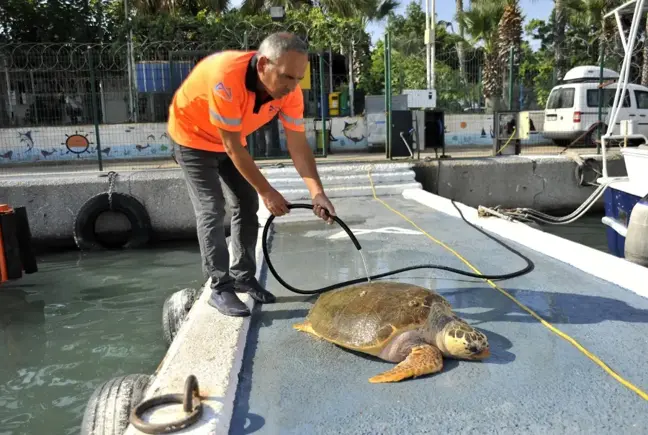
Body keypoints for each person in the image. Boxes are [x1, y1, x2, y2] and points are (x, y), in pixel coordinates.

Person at [167, 32, 336, 317]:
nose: (292, 86)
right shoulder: (226, 78)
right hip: (192, 139)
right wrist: (268, 191)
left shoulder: (290, 91)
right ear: (262, 66)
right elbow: (232, 148)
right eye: (286, 77)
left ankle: (244, 276)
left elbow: (297, 144)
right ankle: (220, 287)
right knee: (211, 207)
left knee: (246, 203)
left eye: (298, 78)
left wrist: (317, 192)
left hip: (231, 139)